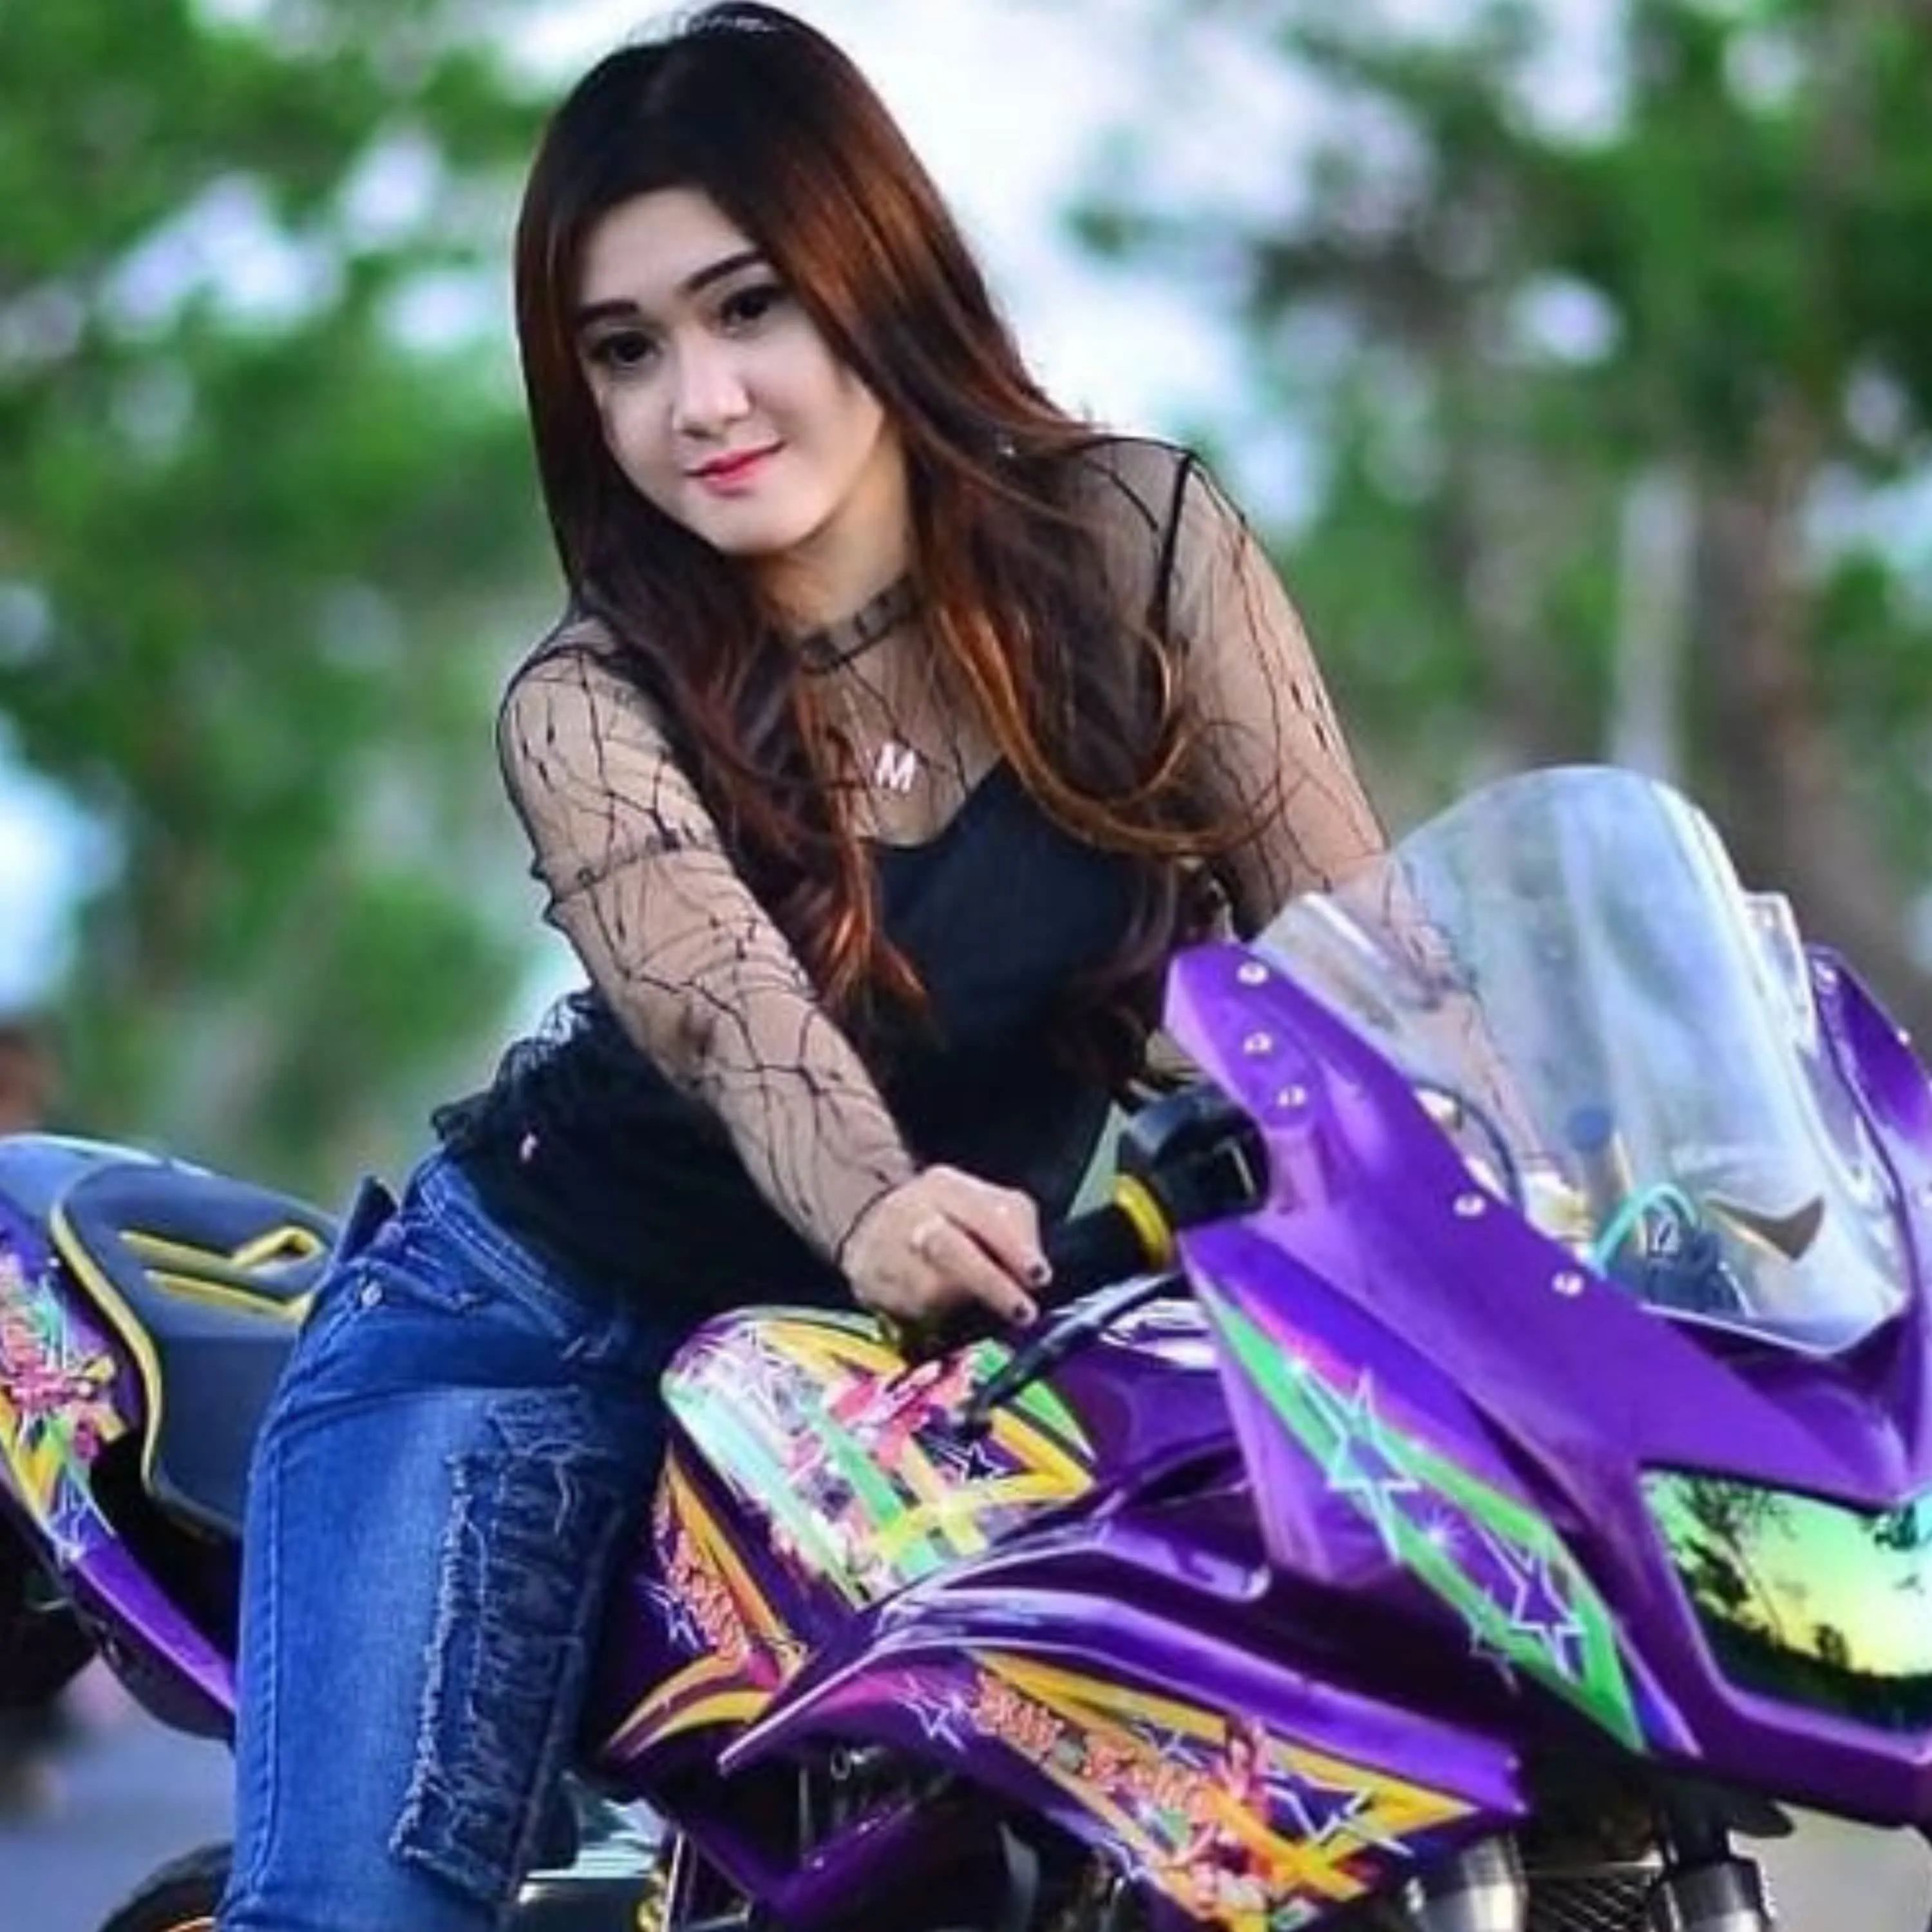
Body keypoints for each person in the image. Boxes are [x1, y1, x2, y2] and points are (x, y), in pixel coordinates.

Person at [216, 6, 1385, 1930]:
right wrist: (881, 1207)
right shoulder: (590, 702)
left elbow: (1356, 956)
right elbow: (728, 1015)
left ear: (878, 276)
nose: (700, 400)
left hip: (946, 1368)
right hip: (540, 1326)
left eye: (748, 306)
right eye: (624, 350)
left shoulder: (1138, 544)